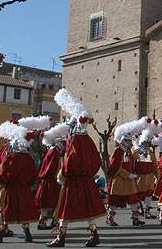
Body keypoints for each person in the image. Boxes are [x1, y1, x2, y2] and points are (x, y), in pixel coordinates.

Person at [47, 89, 107, 247]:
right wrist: (89, 172)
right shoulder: (88, 140)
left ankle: (61, 237)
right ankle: (94, 233)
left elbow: (71, 160)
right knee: (87, 209)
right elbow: (96, 159)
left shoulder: (73, 141)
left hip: (73, 180)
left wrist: (63, 174)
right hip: (86, 180)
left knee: (65, 208)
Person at [0, 121, 39, 243]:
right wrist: (31, 184)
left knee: (3, 210)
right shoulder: (29, 158)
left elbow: (5, 173)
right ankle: (27, 232)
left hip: (11, 189)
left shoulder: (11, 158)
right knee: (24, 211)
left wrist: (1, 184)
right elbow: (33, 173)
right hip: (25, 188)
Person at [107, 118, 149, 227]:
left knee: (133, 199)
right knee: (115, 200)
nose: (130, 143)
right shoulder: (118, 152)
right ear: (123, 142)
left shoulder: (128, 152)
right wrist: (127, 174)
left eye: (130, 141)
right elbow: (115, 166)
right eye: (128, 141)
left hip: (129, 180)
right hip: (119, 179)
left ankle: (135, 218)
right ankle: (110, 217)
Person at [36, 122, 69, 230]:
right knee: (53, 202)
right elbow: (52, 169)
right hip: (52, 181)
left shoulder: (51, 152)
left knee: (48, 202)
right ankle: (49, 221)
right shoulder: (54, 154)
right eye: (61, 143)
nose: (63, 146)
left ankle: (46, 221)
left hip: (50, 181)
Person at [133, 125, 160, 219]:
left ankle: (147, 211)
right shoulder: (136, 154)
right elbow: (132, 166)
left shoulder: (151, 154)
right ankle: (137, 210)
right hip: (139, 177)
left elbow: (154, 167)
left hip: (149, 177)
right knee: (139, 195)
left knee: (149, 194)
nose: (147, 145)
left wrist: (158, 177)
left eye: (149, 143)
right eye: (146, 143)